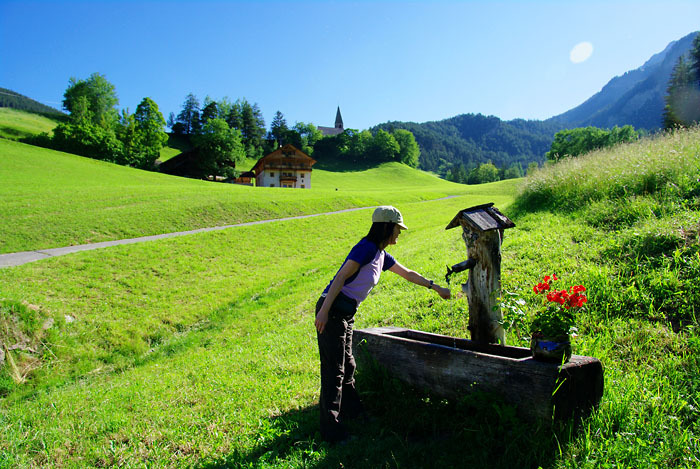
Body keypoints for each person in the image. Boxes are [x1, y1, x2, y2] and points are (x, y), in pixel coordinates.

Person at [314, 205, 451, 443]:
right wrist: (324, 311)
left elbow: (408, 273)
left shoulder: (380, 254)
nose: (399, 233)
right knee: (334, 371)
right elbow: (340, 278)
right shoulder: (366, 248)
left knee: (348, 365)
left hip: (345, 314)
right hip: (333, 311)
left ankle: (353, 413)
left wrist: (435, 287)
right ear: (386, 227)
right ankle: (331, 431)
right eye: (397, 229)